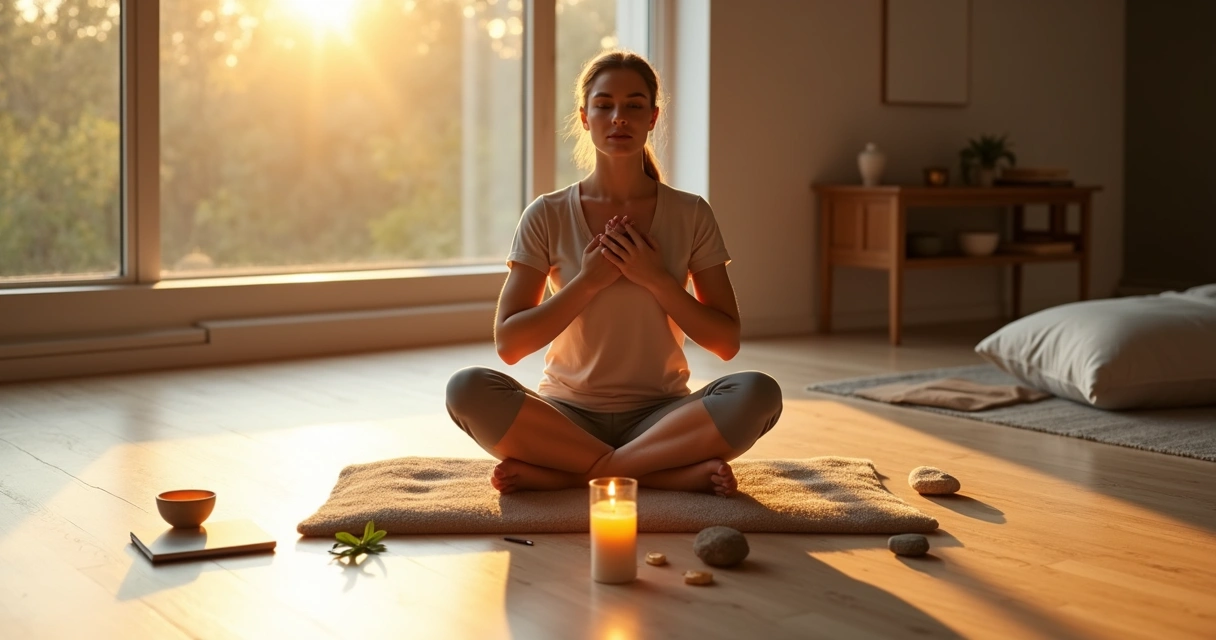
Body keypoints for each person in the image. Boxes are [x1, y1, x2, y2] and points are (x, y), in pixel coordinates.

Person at [446, 50, 782, 496]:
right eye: (604, 105)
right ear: (585, 118)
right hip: (566, 416)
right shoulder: (546, 214)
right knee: (467, 388)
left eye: (634, 105)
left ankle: (574, 474)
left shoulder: (691, 213)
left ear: (653, 118)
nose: (618, 117)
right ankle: (657, 474)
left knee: (758, 393)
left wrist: (656, 278)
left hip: (661, 417)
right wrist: (588, 281)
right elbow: (510, 345)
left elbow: (726, 343)